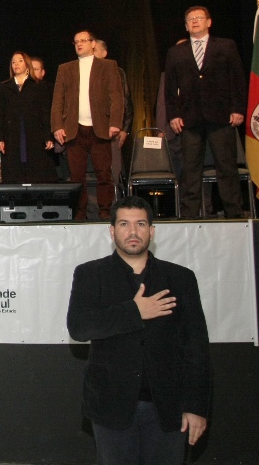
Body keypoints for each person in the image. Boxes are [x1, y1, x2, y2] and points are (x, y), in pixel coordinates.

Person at [67, 195, 211, 465]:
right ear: (112, 231)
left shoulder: (180, 278)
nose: (133, 232)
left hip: (170, 409)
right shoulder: (90, 274)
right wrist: (134, 311)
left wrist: (196, 406)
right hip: (111, 409)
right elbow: (79, 327)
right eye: (124, 224)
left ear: (151, 231)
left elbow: (196, 348)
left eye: (140, 224)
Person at [164, 6, 246, 219]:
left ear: (209, 22)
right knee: (190, 169)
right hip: (190, 118)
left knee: (226, 166)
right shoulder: (176, 52)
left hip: (221, 116)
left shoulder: (226, 46)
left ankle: (234, 214)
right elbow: (170, 88)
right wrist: (173, 115)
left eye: (199, 17)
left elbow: (237, 79)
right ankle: (190, 215)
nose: (195, 21)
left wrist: (237, 109)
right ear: (186, 26)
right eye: (190, 19)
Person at [52, 31, 124, 220]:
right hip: (74, 129)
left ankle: (105, 211)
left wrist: (115, 122)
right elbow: (58, 100)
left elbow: (116, 96)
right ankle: (80, 212)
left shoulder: (108, 66)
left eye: (83, 41)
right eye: (76, 41)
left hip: (100, 128)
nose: (79, 44)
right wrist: (57, 126)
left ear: (93, 43)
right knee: (76, 177)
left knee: (104, 174)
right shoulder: (65, 69)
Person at [0, 52, 55, 183]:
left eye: (20, 61)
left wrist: (48, 136)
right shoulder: (5, 86)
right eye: (13, 62)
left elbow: (45, 113)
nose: (16, 64)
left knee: (35, 170)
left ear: (27, 64)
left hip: (34, 134)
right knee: (14, 170)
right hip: (11, 135)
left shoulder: (38, 85)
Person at [94, 39, 134, 147]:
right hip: (87, 131)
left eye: (95, 50)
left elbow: (126, 101)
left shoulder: (116, 72)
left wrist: (125, 129)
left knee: (112, 157)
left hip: (112, 130)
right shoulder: (81, 72)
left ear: (104, 53)